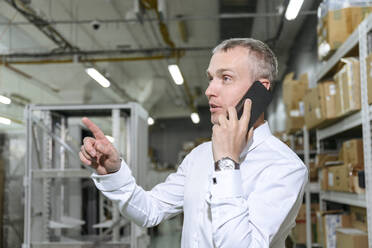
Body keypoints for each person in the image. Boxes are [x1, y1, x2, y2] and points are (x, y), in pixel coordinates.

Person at [79, 38, 308, 248]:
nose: (209, 90)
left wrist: (227, 163)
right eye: (210, 79)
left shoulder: (284, 168)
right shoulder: (199, 155)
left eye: (226, 78)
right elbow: (150, 211)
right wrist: (114, 172)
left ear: (261, 90)